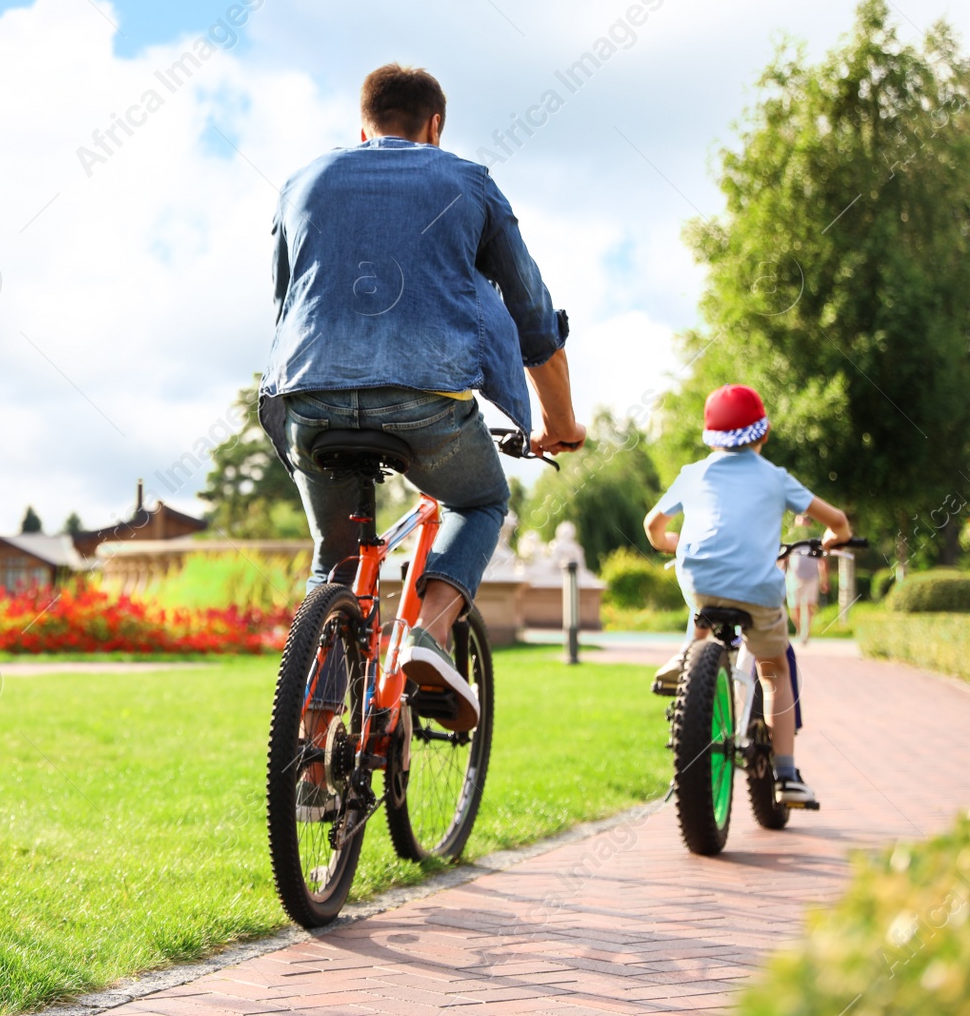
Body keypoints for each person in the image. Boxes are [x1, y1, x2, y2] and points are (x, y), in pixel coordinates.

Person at [258, 63, 584, 770]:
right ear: (435, 126)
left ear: (362, 125)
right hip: (426, 398)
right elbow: (532, 315)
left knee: (338, 562)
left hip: (308, 395)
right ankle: (428, 632)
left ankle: (311, 757)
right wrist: (560, 420)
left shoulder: (302, 181)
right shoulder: (467, 181)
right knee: (481, 497)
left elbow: (286, 302)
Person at [644, 384, 850, 809]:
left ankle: (687, 658)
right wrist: (831, 542)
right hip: (757, 589)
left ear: (709, 436)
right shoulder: (776, 478)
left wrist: (674, 542)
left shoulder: (692, 473)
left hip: (699, 578)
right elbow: (839, 521)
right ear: (764, 433)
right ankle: (787, 775)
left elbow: (652, 526)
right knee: (775, 670)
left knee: (702, 600)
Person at [784, 513, 827, 646]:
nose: (803, 522)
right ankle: (799, 628)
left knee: (807, 606)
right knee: (794, 607)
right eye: (800, 519)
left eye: (806, 519)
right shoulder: (791, 537)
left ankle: (804, 634)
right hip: (793, 577)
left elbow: (822, 560)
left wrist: (824, 578)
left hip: (811, 576)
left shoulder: (815, 538)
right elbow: (783, 558)